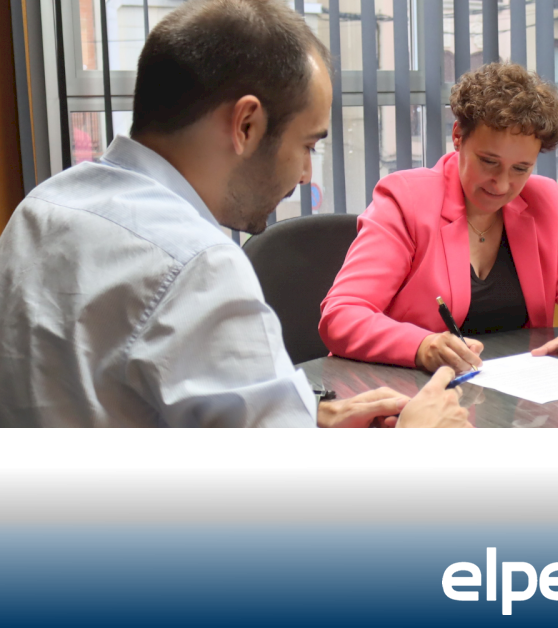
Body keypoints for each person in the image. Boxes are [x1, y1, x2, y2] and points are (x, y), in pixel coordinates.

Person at [0, 0, 468, 428]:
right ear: (246, 124)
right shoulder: (197, 265)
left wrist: (307, 421)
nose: (306, 173)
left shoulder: (39, 209)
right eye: (308, 145)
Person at [319, 62, 558, 374]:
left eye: (521, 168)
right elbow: (342, 315)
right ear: (458, 136)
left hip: (514, 391)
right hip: (412, 389)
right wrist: (422, 346)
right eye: (489, 162)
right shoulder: (406, 200)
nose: (502, 184)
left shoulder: (541, 201)